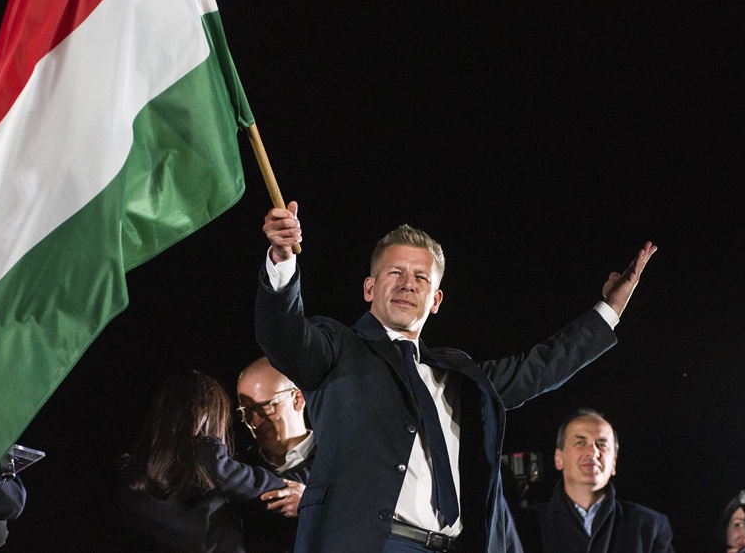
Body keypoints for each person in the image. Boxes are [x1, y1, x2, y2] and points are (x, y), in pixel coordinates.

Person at [257, 201, 657, 552]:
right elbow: (285, 337)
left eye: (421, 278)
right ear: (369, 287)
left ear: (435, 301)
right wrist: (282, 260)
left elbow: (540, 368)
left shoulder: (458, 374)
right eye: (395, 272)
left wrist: (609, 309)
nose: (407, 284)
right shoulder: (336, 347)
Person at [117, 370, 289, 552]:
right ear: (203, 419)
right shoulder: (214, 495)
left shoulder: (129, 482)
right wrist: (215, 456)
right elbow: (279, 491)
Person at [515, 410, 673, 553]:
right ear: (559, 458)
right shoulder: (526, 525)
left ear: (614, 464)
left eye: (602, 445)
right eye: (581, 443)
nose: (593, 452)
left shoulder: (649, 527)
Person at [236, 357, 314, 552]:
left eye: (264, 407)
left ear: (298, 398)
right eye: (246, 412)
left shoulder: (341, 459)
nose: (254, 422)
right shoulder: (240, 467)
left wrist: (313, 505)